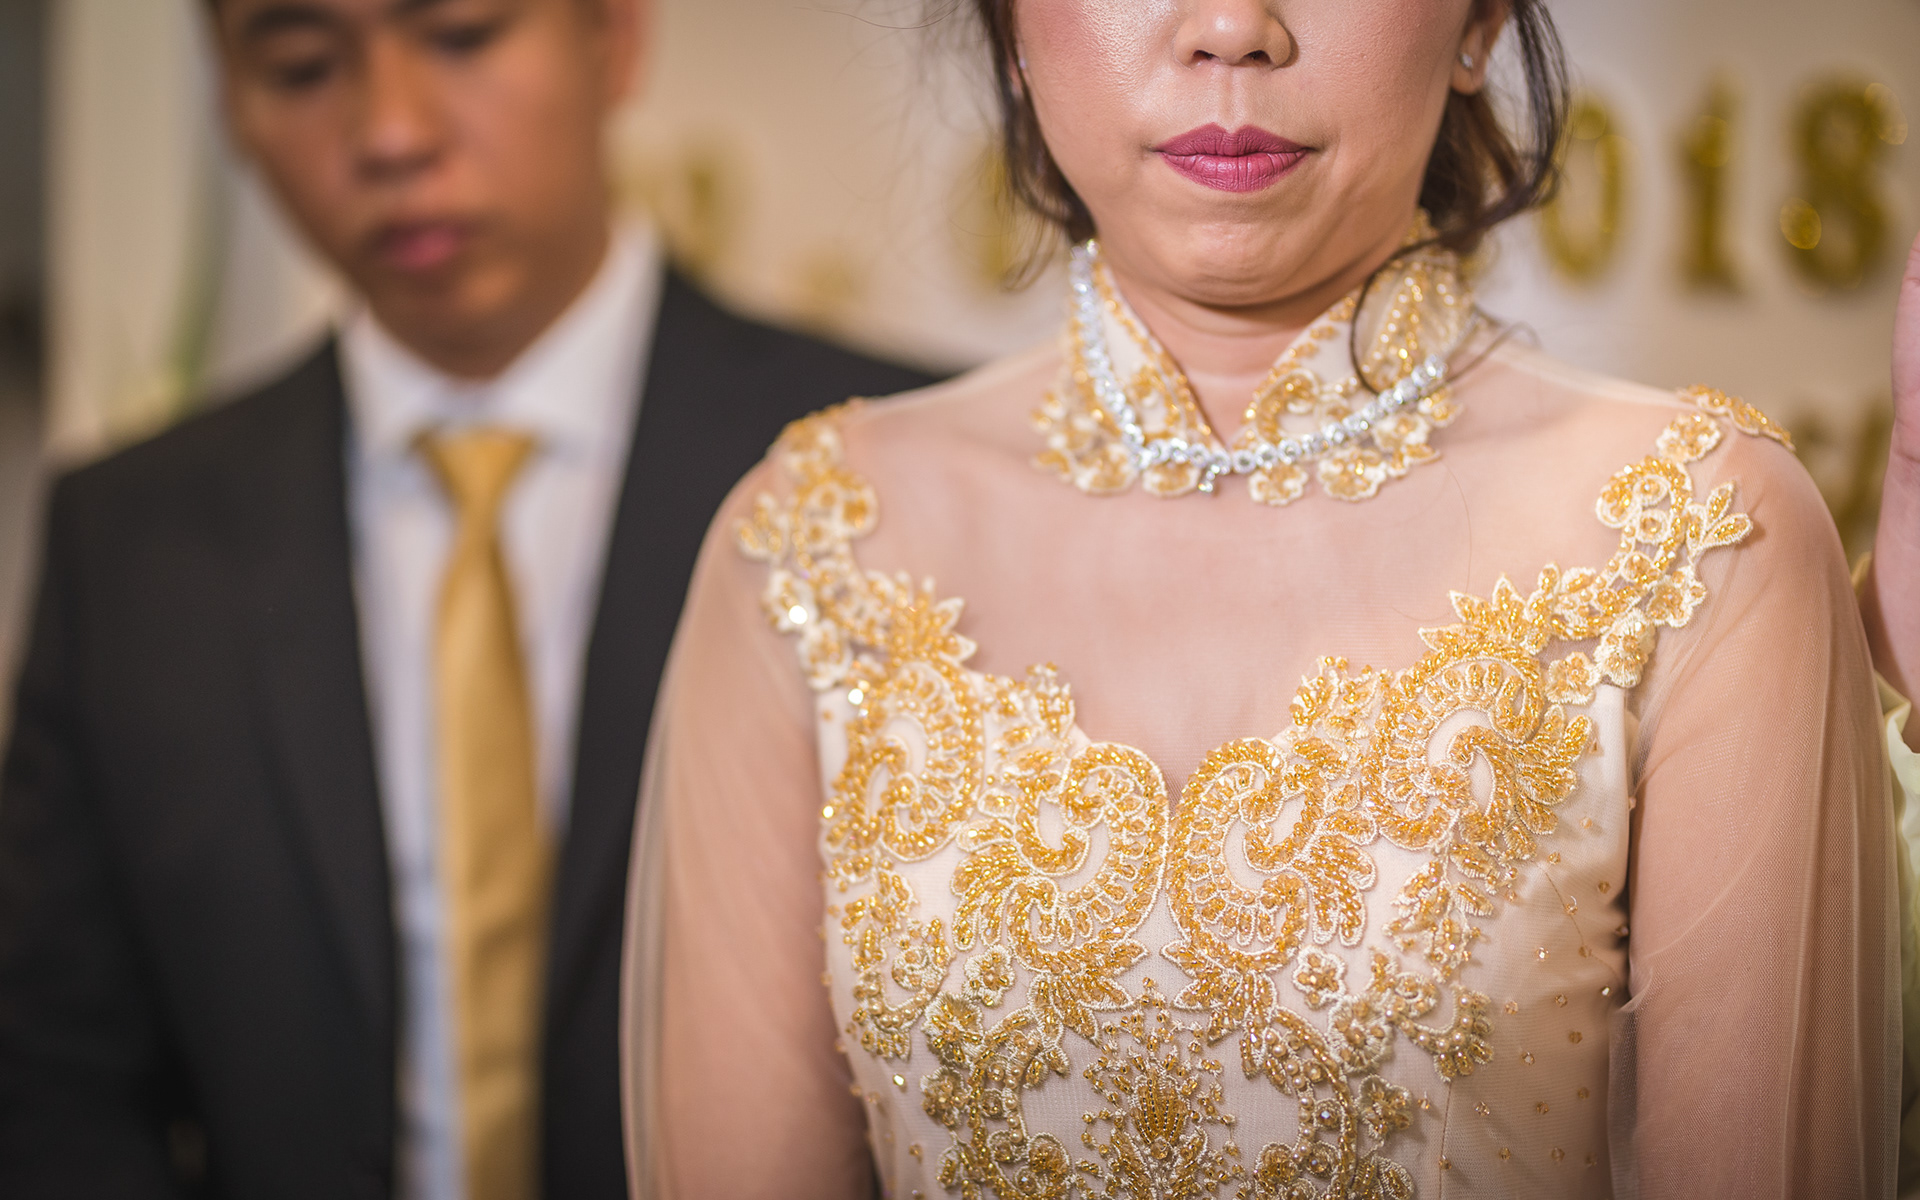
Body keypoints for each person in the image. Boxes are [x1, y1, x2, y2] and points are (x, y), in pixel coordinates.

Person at [622, 0, 1898, 1195]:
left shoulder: (1695, 529)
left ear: (1478, 25)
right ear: (1012, 29)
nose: (1233, 28)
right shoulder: (815, 542)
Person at [0, 0, 930, 1196]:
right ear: (230, 99)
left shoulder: (896, 474)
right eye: (303, 66)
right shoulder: (131, 542)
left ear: (615, 35)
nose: (392, 132)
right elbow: (56, 1076)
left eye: (461, 35)